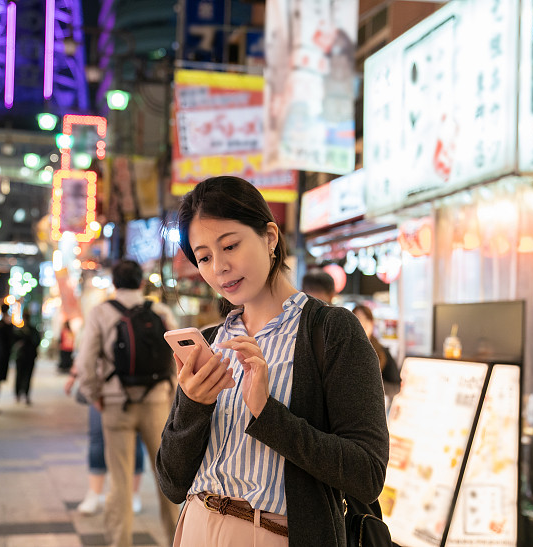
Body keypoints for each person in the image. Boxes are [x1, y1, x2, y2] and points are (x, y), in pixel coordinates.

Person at [156, 176, 389, 546]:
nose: (219, 267)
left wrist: (267, 414)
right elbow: (171, 482)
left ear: (269, 236)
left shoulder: (331, 331)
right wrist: (193, 404)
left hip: (274, 534)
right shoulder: (215, 341)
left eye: (230, 245)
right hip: (195, 527)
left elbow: (367, 473)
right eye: (203, 257)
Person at [74, 259, 181, 547]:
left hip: (115, 403)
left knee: (119, 483)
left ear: (113, 283)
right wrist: (170, 393)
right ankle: (178, 540)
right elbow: (179, 356)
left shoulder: (101, 313)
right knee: (166, 478)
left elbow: (85, 361)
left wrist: (95, 393)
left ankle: (119, 542)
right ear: (142, 282)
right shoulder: (159, 311)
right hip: (157, 402)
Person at [64, 367, 148, 516]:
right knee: (98, 438)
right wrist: (75, 374)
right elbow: (87, 350)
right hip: (103, 385)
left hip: (137, 384)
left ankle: (132, 494)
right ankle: (94, 494)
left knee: (134, 439)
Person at [352, 305, 401, 399]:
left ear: (372, 323)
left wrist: (373, 384)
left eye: (366, 319)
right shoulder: (345, 351)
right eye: (358, 319)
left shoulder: (382, 351)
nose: (362, 323)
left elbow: (396, 387)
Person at [14, 309, 41, 405]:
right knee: (21, 375)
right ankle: (20, 393)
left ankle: (23, 394)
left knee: (25, 375)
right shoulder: (20, 330)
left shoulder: (30, 330)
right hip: (23, 356)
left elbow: (37, 341)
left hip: (28, 356)